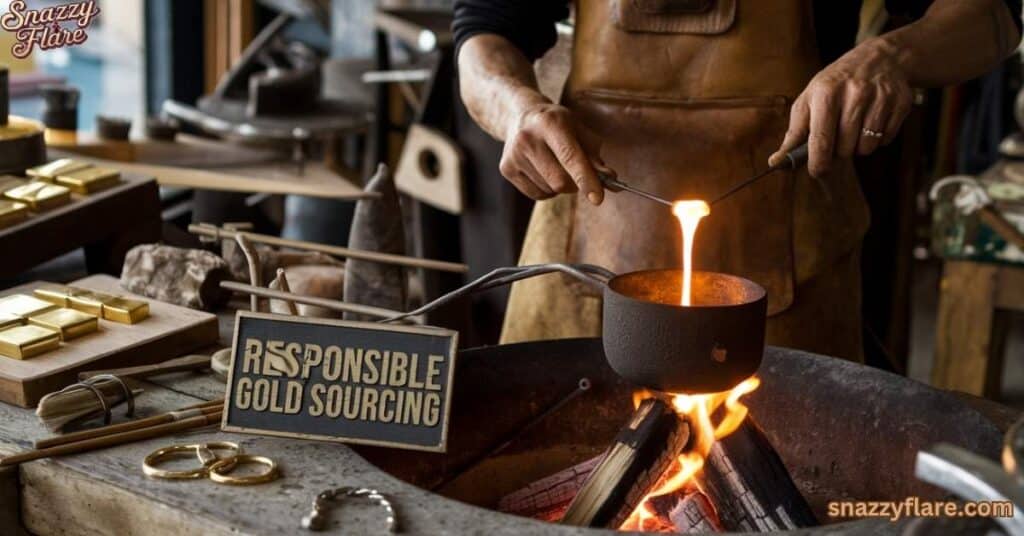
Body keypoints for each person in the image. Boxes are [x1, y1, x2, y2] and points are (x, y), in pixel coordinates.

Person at [454, 0, 1021, 361]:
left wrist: (892, 56)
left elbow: (992, 15)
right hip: (579, 259)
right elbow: (483, 32)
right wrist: (516, 109)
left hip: (795, 265)